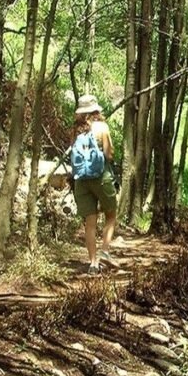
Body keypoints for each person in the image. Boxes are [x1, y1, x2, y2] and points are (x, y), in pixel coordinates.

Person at [71, 95, 117, 273]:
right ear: (95, 110)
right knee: (111, 214)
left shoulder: (75, 130)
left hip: (81, 181)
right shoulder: (102, 127)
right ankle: (105, 251)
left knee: (90, 223)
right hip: (101, 177)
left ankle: (93, 263)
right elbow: (109, 154)